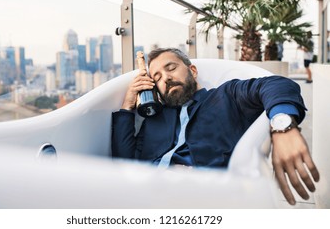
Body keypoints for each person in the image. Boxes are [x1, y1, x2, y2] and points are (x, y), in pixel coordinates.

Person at [111, 47, 319, 206]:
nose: (166, 77)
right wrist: (128, 104)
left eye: (171, 68)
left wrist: (283, 127)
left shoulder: (226, 96)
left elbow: (277, 84)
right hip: (142, 199)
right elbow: (123, 162)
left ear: (192, 71)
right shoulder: (155, 118)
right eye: (157, 77)